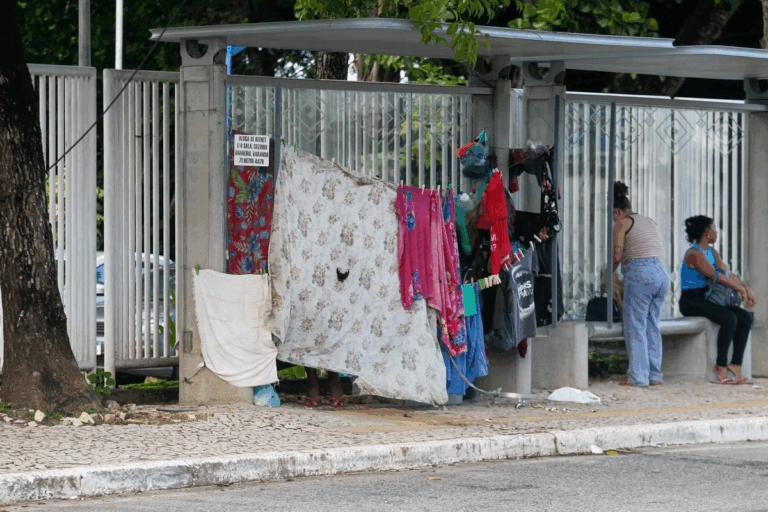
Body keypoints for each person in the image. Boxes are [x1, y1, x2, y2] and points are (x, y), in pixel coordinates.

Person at [679, 215, 756, 384]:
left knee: (744, 317)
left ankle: (736, 364)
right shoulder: (694, 253)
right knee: (729, 318)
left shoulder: (712, 252)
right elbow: (717, 276)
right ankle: (720, 365)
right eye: (714, 228)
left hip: (710, 299)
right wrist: (740, 290)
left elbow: (727, 274)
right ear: (707, 232)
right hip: (692, 301)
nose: (716, 232)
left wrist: (746, 288)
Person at [612, 181, 669, 387]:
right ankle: (654, 375)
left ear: (617, 211)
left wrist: (609, 272)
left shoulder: (622, 223)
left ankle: (638, 377)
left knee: (635, 325)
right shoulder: (648, 221)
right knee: (652, 324)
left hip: (640, 272)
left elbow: (617, 254)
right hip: (661, 273)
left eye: (612, 216)